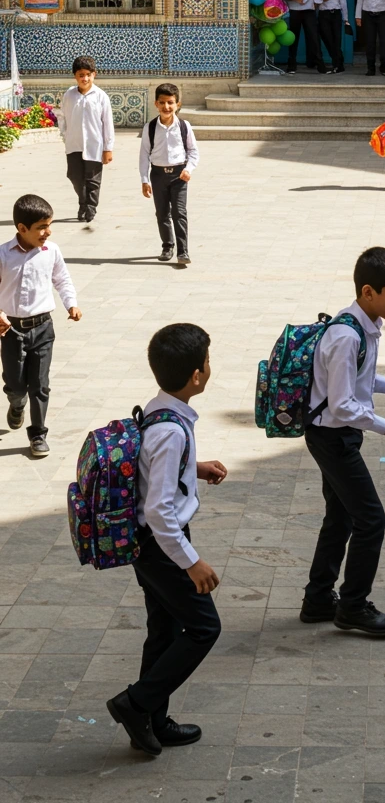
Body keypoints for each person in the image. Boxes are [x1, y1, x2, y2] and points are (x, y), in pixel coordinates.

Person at [107, 322, 227, 757]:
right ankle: (135, 704)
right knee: (203, 627)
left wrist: (195, 466)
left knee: (163, 628)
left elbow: (156, 468)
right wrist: (191, 561)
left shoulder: (161, 412)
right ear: (196, 375)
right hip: (162, 544)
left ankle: (154, 719)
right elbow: (159, 510)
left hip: (152, 542)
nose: (210, 368)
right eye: (208, 362)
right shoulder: (172, 429)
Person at [301, 247, 385, 636]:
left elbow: (355, 379)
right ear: (368, 291)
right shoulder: (345, 336)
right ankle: (353, 605)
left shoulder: (361, 326)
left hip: (338, 435)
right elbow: (341, 405)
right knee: (370, 519)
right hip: (332, 437)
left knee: (340, 517)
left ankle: (319, 599)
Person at [0, 193, 81, 457]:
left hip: (44, 327)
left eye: (49, 225)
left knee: (40, 384)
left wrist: (71, 304)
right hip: (10, 329)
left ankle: (37, 434)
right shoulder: (3, 255)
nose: (47, 232)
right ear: (22, 229)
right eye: (41, 227)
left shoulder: (52, 251)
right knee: (15, 383)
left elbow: (62, 280)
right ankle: (16, 402)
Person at [140, 84, 199, 267]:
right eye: (163, 103)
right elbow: (144, 155)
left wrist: (188, 169)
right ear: (156, 104)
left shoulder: (184, 126)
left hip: (179, 175)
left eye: (171, 103)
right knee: (162, 213)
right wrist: (145, 179)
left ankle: (183, 251)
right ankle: (168, 246)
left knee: (179, 213)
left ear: (178, 104)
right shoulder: (150, 128)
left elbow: (193, 151)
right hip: (158, 174)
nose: (167, 107)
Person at [59, 55, 114, 229]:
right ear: (75, 76)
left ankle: (90, 208)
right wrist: (65, 135)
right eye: (81, 75)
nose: (85, 78)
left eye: (88, 74)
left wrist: (108, 148)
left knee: (92, 179)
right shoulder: (69, 95)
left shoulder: (100, 96)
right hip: (74, 144)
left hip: (94, 145)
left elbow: (107, 123)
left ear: (94, 75)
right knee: (75, 176)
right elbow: (62, 117)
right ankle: (83, 201)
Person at [317, 0, 349, 74]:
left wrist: (345, 18)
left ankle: (338, 65)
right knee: (327, 39)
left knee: (336, 41)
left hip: (335, 13)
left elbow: (343, 0)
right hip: (323, 13)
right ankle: (338, 61)